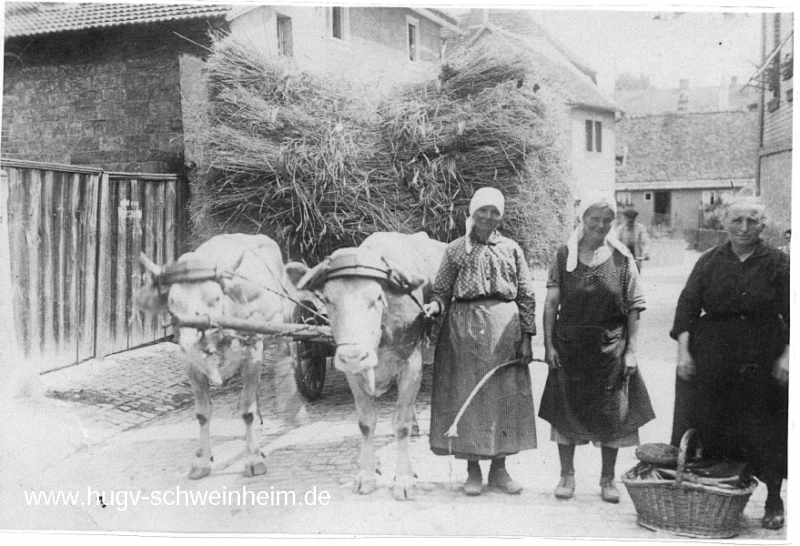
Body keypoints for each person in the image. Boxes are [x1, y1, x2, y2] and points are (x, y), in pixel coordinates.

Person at [670, 197, 789, 530]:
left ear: (764, 226)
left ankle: (773, 499)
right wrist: (684, 353)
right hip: (714, 355)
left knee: (766, 426)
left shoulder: (779, 263)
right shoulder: (709, 261)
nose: (744, 228)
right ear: (725, 224)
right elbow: (687, 308)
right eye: (737, 220)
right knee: (713, 423)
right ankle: (717, 497)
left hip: (763, 356)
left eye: (752, 221)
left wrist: (788, 355)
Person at [539, 193, 655, 504]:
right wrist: (549, 344)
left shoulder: (622, 258)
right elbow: (551, 304)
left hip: (610, 350)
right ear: (583, 218)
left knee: (612, 415)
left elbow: (634, 308)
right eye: (595, 218)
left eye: (607, 219)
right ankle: (566, 475)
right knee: (566, 412)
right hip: (570, 348)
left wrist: (631, 351)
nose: (601, 225)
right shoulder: (564, 255)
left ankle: (607, 479)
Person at [424, 187, 537, 496]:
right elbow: (441, 290)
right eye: (482, 210)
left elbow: (526, 295)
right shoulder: (456, 250)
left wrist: (527, 338)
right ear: (472, 213)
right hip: (464, 331)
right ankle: (473, 471)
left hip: (505, 330)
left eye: (495, 211)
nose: (488, 216)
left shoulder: (512, 248)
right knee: (468, 397)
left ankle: (499, 471)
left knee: (502, 397)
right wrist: (435, 306)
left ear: (501, 216)